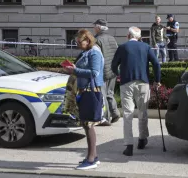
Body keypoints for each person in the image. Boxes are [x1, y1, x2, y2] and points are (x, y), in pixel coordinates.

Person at [111, 26, 161, 157]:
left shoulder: (122, 47)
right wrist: (157, 80)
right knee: (142, 111)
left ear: (128, 35)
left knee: (127, 113)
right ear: (139, 37)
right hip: (143, 82)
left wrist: (118, 75)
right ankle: (142, 139)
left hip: (126, 82)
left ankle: (129, 145)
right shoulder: (145, 47)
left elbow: (113, 65)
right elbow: (156, 63)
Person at [63, 29, 104, 170]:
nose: (78, 45)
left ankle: (91, 159)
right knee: (87, 125)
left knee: (89, 125)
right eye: (76, 42)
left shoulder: (94, 53)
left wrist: (74, 70)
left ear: (88, 40)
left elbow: (94, 72)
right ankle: (93, 157)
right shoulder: (87, 52)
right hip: (86, 91)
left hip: (91, 91)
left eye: (80, 42)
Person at [93, 19, 121, 125]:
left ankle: (106, 118)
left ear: (99, 28)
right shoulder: (112, 38)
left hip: (103, 72)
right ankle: (115, 113)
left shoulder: (97, 40)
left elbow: (97, 57)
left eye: (95, 26)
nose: (93, 28)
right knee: (110, 93)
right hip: (113, 70)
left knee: (103, 95)